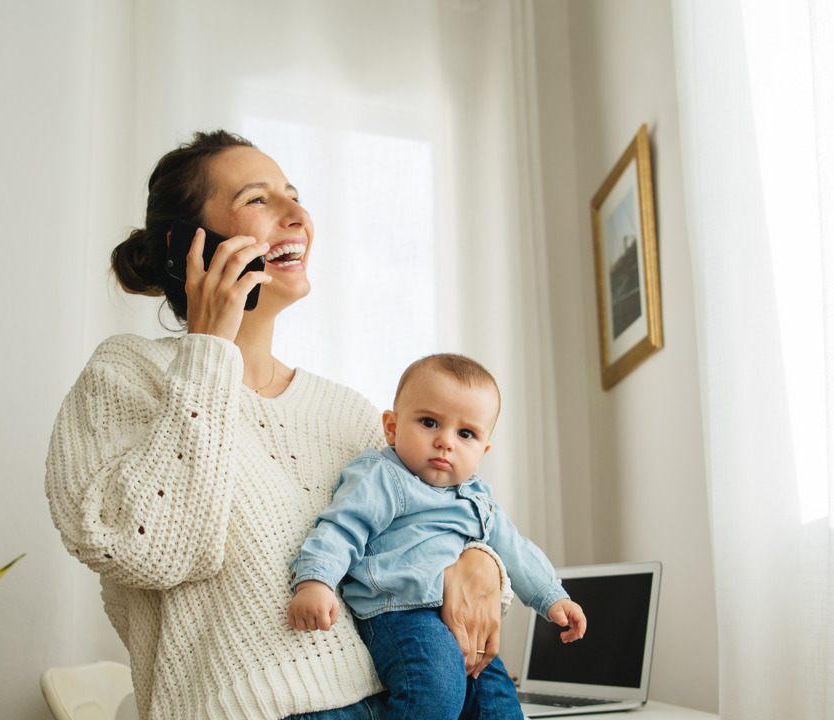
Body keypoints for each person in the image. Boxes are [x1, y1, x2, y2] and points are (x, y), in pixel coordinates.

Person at [45, 130, 513, 720]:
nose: (298, 215)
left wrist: (482, 560)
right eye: (259, 200)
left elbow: (427, 526)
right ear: (187, 243)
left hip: (406, 699)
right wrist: (209, 350)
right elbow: (146, 549)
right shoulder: (127, 374)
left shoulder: (346, 412)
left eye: (294, 195)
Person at [286, 354, 587, 719]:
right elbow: (341, 527)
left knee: (500, 699)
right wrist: (315, 582)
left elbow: (515, 549)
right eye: (429, 423)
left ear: (483, 450)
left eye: (466, 434)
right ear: (392, 427)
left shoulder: (479, 499)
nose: (446, 442)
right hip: (398, 613)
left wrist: (553, 598)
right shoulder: (384, 475)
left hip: (461, 619)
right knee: (435, 687)